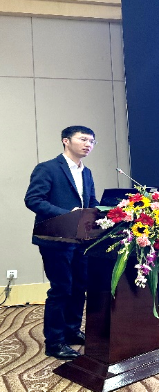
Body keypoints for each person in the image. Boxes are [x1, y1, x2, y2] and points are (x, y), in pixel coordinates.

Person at [24, 126, 100, 360]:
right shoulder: (47, 168)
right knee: (61, 289)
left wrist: (105, 212)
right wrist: (68, 214)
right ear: (66, 141)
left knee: (79, 287)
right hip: (55, 238)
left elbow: (91, 201)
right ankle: (55, 342)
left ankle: (71, 331)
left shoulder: (86, 172)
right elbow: (33, 200)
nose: (88, 144)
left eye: (92, 141)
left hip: (81, 239)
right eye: (83, 139)